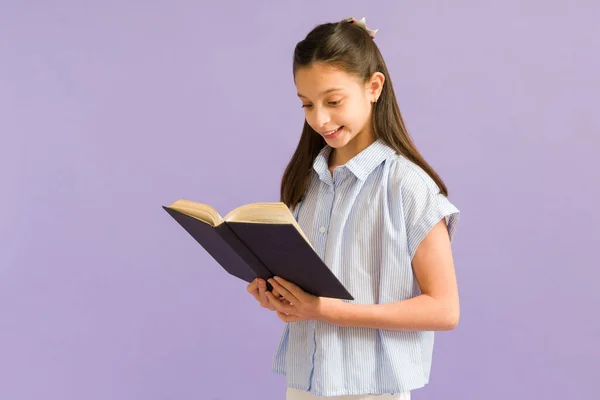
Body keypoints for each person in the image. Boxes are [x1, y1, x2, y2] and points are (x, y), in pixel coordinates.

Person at [247, 16, 461, 400]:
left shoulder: (407, 186)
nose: (320, 119)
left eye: (333, 101)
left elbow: (444, 310)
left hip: (372, 389)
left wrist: (326, 310)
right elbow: (309, 289)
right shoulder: (306, 182)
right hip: (305, 384)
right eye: (307, 105)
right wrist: (281, 296)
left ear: (374, 86)